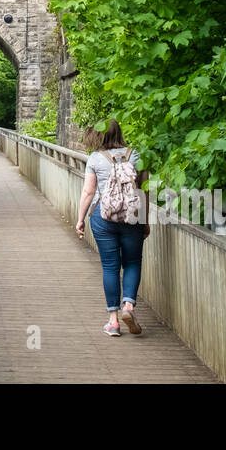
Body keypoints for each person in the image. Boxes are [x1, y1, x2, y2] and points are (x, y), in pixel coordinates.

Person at [74, 118, 148, 337]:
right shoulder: (137, 155)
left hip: (103, 216)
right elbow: (145, 191)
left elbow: (88, 192)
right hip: (132, 217)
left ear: (100, 135)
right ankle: (129, 307)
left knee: (110, 266)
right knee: (133, 262)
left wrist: (80, 220)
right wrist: (145, 221)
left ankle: (113, 322)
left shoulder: (95, 158)